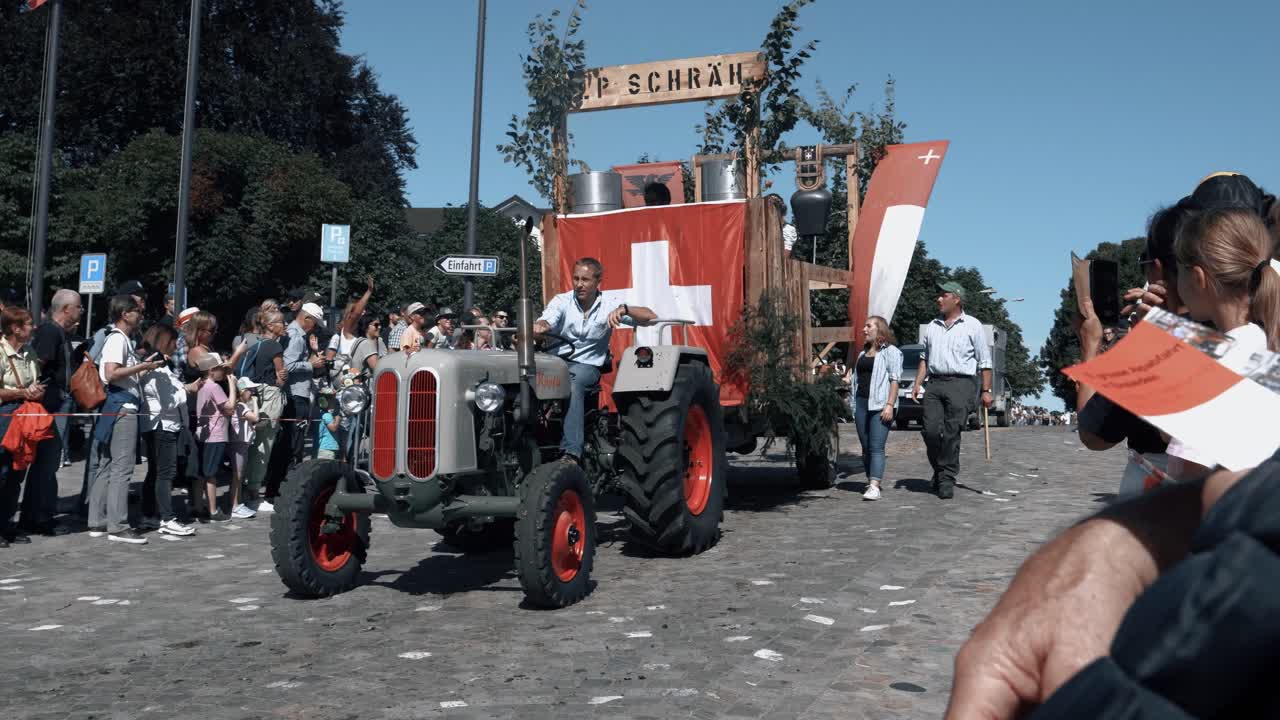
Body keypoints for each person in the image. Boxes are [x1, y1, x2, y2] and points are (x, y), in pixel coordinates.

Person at [1164, 208, 1279, 479]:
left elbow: (1192, 478)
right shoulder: (1264, 344)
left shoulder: (1213, 365)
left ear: (1197, 278)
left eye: (1178, 271)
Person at [533, 257, 657, 463]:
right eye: (576, 279)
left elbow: (651, 317)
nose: (579, 284)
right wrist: (541, 326)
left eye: (585, 280)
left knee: (573, 383)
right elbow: (548, 319)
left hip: (586, 366)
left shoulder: (610, 304)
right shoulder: (562, 301)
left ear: (598, 282)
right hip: (555, 363)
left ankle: (571, 452)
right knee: (523, 378)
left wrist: (625, 309)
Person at [89, 294, 164, 544]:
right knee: (122, 467)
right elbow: (111, 373)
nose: (141, 316)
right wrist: (142, 367)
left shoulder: (121, 339)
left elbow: (121, 375)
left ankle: (98, 520)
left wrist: (144, 365)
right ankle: (118, 526)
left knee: (108, 464)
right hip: (122, 406)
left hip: (116, 405)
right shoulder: (118, 339)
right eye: (137, 312)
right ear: (125, 314)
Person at [911, 281, 993, 499]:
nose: (938, 299)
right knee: (929, 431)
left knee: (951, 432)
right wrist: (917, 383)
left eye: (943, 295)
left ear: (956, 299)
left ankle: (946, 478)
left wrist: (986, 390)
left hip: (961, 384)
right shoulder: (932, 326)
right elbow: (924, 358)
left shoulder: (972, 325)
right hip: (935, 383)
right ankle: (940, 470)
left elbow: (985, 361)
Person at [22, 288, 81, 534]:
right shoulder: (49, 332)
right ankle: (37, 518)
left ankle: (42, 513)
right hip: (48, 407)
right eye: (78, 306)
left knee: (48, 464)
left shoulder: (59, 332)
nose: (81, 311)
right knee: (45, 464)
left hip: (55, 405)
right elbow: (36, 366)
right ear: (66, 309)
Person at [137, 323, 198, 537]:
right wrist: (187, 389)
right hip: (162, 425)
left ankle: (149, 514)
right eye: (173, 342)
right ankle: (167, 518)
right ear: (164, 341)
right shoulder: (157, 368)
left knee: (155, 472)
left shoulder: (156, 366)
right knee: (165, 473)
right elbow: (168, 401)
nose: (176, 346)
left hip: (158, 424)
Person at [0, 306, 46, 548]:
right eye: (28, 323)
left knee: (17, 473)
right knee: (1, 472)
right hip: (4, 416)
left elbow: (35, 382)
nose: (34, 327)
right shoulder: (0, 351)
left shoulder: (29, 351)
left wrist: (36, 391)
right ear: (15, 329)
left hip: (25, 415)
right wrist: (21, 392)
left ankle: (7, 525)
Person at [271, 302, 326, 493]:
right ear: (307, 318)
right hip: (295, 395)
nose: (315, 328)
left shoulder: (294, 334)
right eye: (315, 323)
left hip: (295, 393)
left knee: (290, 443)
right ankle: (282, 487)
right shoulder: (296, 336)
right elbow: (287, 365)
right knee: (293, 444)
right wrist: (311, 364)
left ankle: (279, 486)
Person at [850, 316, 902, 502]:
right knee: (865, 448)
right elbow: (857, 379)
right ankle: (871, 480)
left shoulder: (891, 352)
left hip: (880, 404)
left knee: (876, 447)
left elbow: (895, 380)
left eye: (868, 326)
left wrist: (889, 405)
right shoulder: (862, 354)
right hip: (861, 404)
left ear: (879, 330)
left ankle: (874, 485)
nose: (864, 329)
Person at [243, 309, 287, 513]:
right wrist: (282, 378)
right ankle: (253, 493)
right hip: (270, 397)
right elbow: (281, 378)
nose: (285, 325)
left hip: (255, 396)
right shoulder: (275, 346)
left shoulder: (256, 344)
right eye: (281, 322)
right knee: (264, 445)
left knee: (253, 443)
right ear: (270, 326)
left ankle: (247, 488)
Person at [194, 353, 236, 521]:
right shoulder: (214, 387)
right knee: (211, 473)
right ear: (211, 370)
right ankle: (213, 511)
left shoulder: (202, 385)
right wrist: (232, 384)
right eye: (219, 368)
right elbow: (230, 408)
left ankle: (198, 506)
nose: (222, 372)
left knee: (201, 473)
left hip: (202, 435)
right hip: (215, 435)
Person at [228, 377, 260, 519]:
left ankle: (238, 503)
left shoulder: (239, 405)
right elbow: (255, 418)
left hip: (241, 443)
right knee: (238, 475)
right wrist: (255, 402)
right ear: (242, 391)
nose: (252, 393)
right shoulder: (241, 406)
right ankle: (234, 506)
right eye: (250, 390)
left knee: (239, 475)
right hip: (239, 443)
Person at [316, 396, 341, 461]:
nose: (333, 402)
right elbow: (333, 428)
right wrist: (337, 418)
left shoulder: (321, 414)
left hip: (325, 448)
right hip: (327, 449)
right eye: (332, 400)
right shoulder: (327, 416)